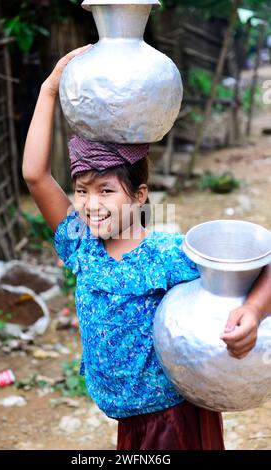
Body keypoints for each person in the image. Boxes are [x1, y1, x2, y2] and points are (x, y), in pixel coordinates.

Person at [22, 46, 271, 451]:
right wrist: (50, 89)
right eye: (82, 191)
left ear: (139, 195)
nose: (91, 204)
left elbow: (264, 266)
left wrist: (254, 311)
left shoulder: (168, 255)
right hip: (129, 420)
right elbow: (35, 175)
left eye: (106, 190)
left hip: (172, 419)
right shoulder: (81, 247)